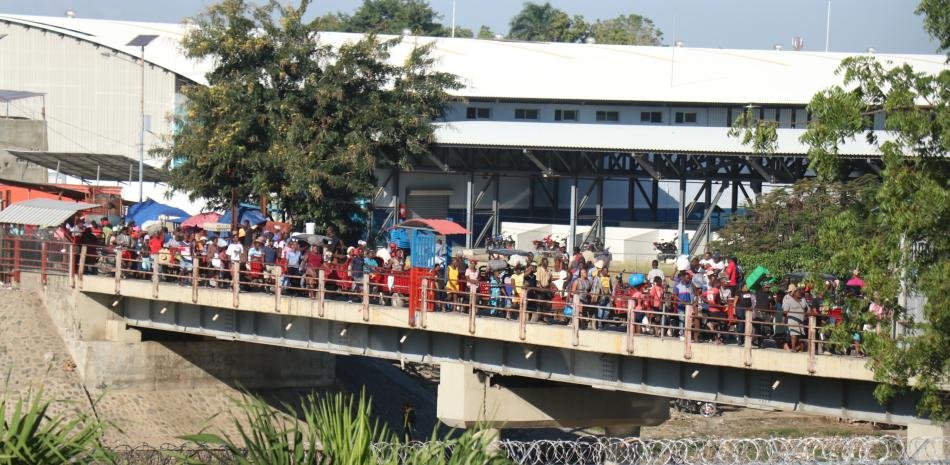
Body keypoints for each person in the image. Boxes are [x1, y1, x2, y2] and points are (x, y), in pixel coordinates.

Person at [782, 284, 808, 352]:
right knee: (794, 334)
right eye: (797, 291)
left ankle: (800, 349)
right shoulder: (788, 300)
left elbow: (808, 309)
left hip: (801, 321)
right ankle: (793, 348)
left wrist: (806, 315)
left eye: (800, 291)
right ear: (794, 293)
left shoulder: (803, 300)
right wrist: (784, 319)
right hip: (792, 320)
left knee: (801, 336)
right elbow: (785, 311)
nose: (799, 292)